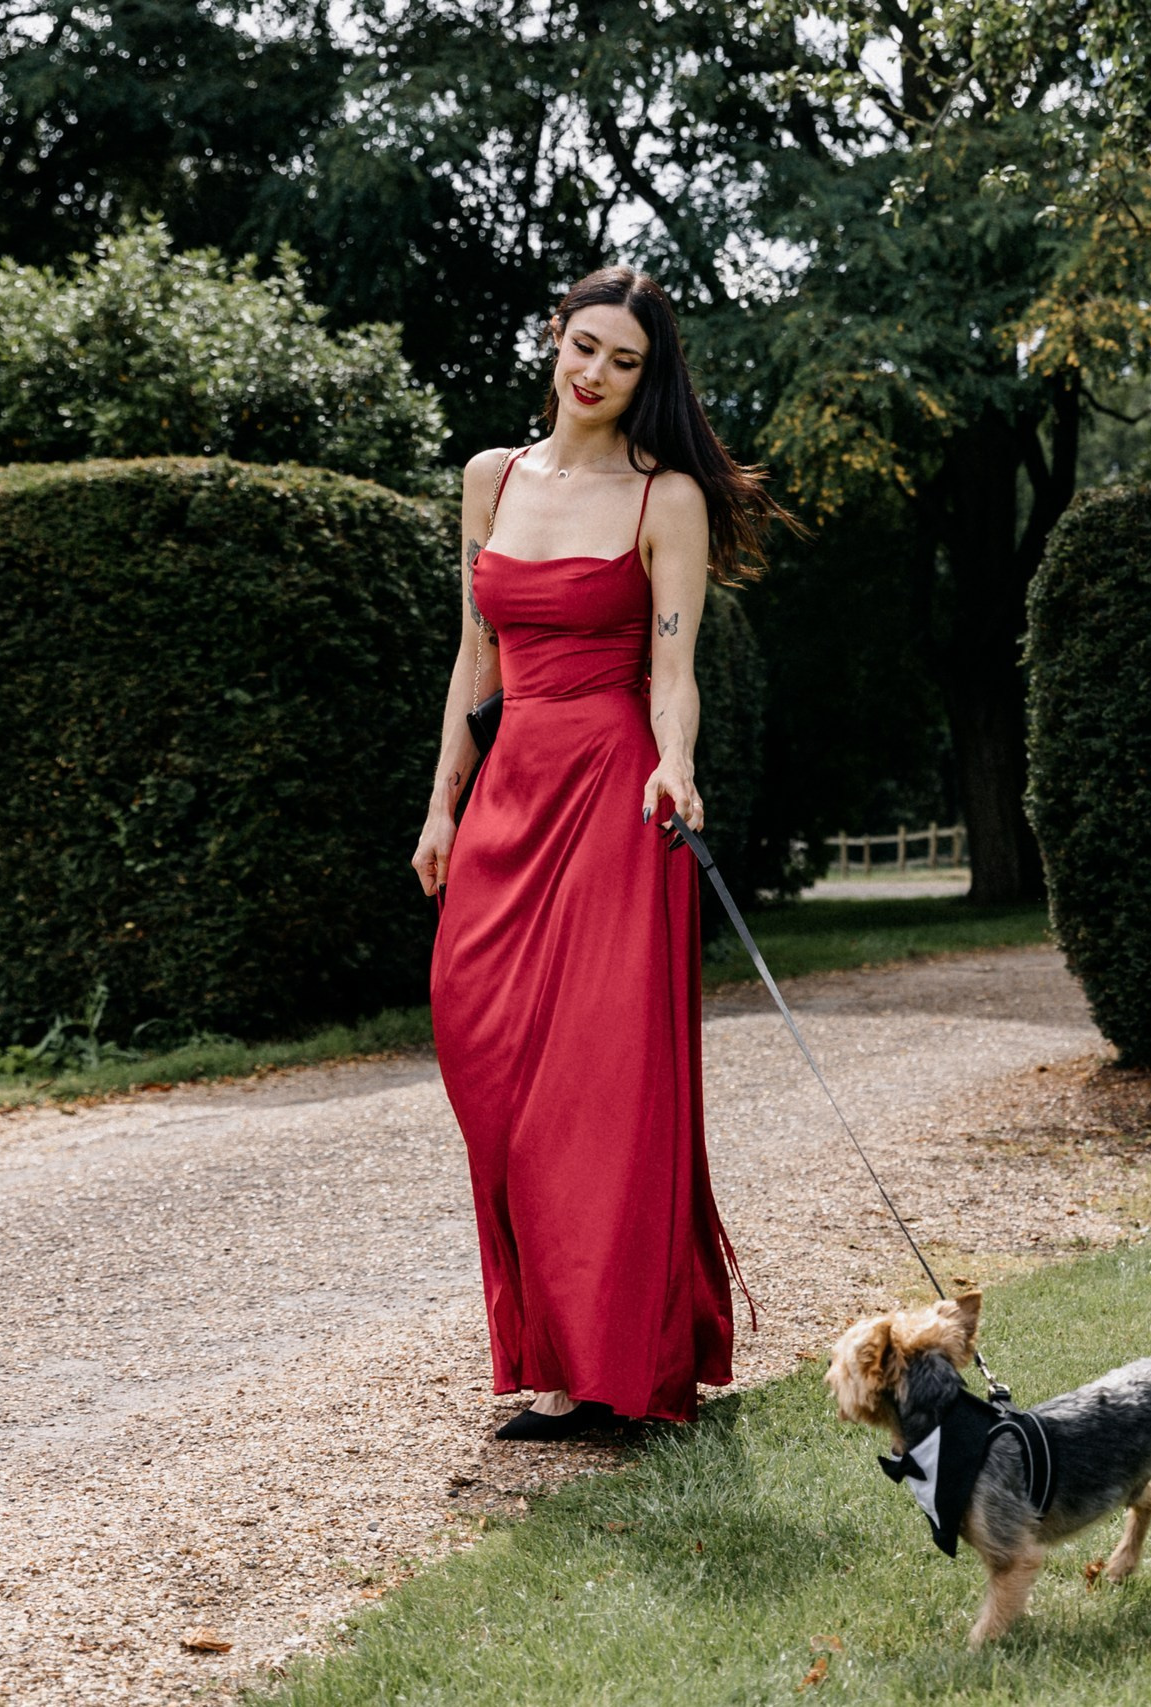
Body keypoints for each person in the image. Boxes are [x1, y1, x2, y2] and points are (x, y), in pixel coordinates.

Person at [409, 266, 791, 1438]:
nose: (596, 375)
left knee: (603, 1093)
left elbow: (671, 678)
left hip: (618, 798)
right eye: (584, 348)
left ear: (647, 377)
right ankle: (555, 1341)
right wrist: (441, 808)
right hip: (510, 791)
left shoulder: (663, 497)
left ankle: (614, 1375)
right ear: (554, 341)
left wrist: (676, 765)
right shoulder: (491, 477)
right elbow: (475, 663)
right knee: (480, 1050)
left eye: (624, 362)